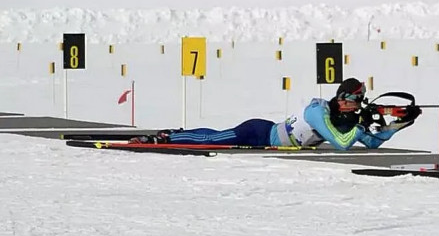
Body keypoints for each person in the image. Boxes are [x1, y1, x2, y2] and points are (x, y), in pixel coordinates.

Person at [131, 78, 421, 150]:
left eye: (361, 102)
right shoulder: (318, 112)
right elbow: (342, 142)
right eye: (356, 101)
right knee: (214, 139)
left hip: (272, 134)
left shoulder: (344, 116)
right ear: (343, 99)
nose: (359, 106)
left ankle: (176, 134)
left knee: (215, 135)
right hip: (260, 132)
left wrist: (398, 125)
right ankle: (167, 138)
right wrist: (361, 125)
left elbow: (371, 143)